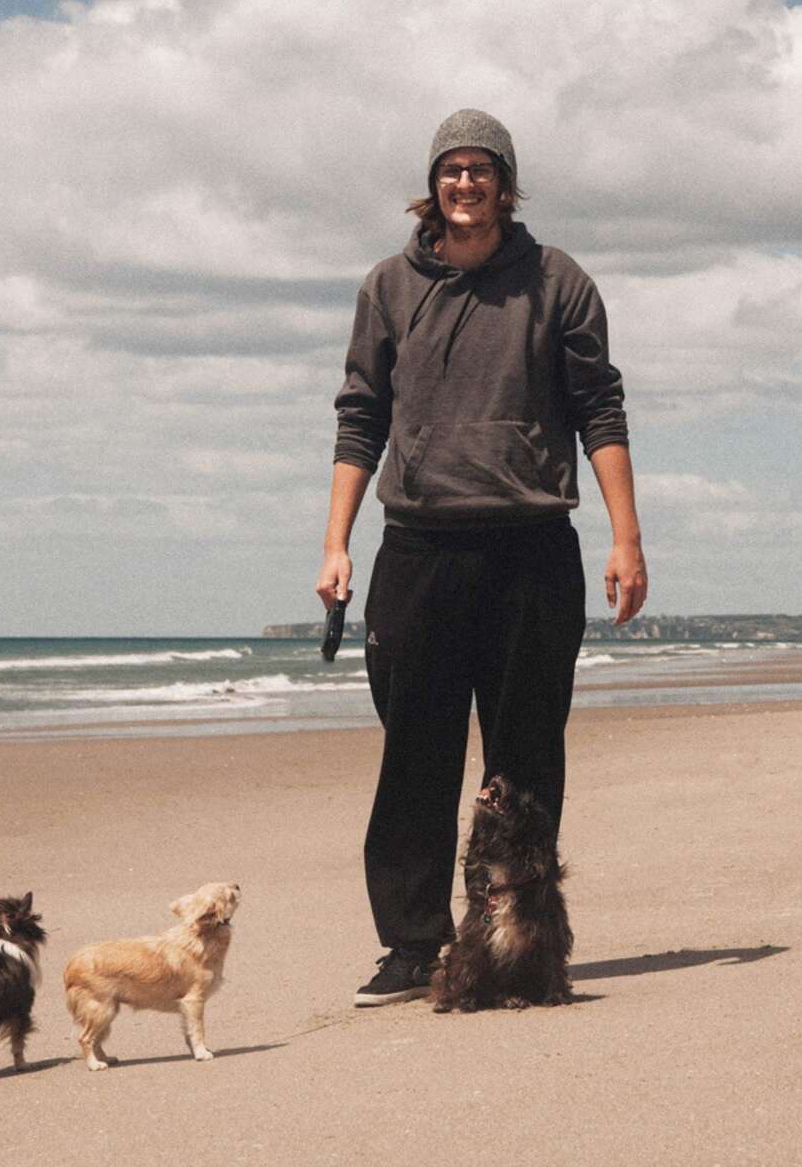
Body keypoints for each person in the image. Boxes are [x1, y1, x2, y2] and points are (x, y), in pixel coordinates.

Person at [317, 108, 647, 1007]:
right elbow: (360, 417)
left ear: (506, 184)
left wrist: (625, 538)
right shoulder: (390, 287)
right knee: (415, 755)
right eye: (452, 169)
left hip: (530, 547)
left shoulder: (559, 282)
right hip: (419, 547)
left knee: (526, 759)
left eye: (482, 169)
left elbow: (600, 411)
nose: (466, 183)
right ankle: (412, 945)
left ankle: (519, 941)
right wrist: (336, 542)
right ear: (435, 185)